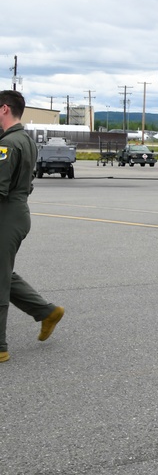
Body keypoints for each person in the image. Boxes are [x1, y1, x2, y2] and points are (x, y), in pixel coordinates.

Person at [1, 90, 64, 364]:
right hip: (17, 211)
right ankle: (46, 311)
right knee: (2, 272)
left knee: (0, 279)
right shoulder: (25, 140)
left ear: (4, 109)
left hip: (6, 214)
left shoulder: (8, 144)